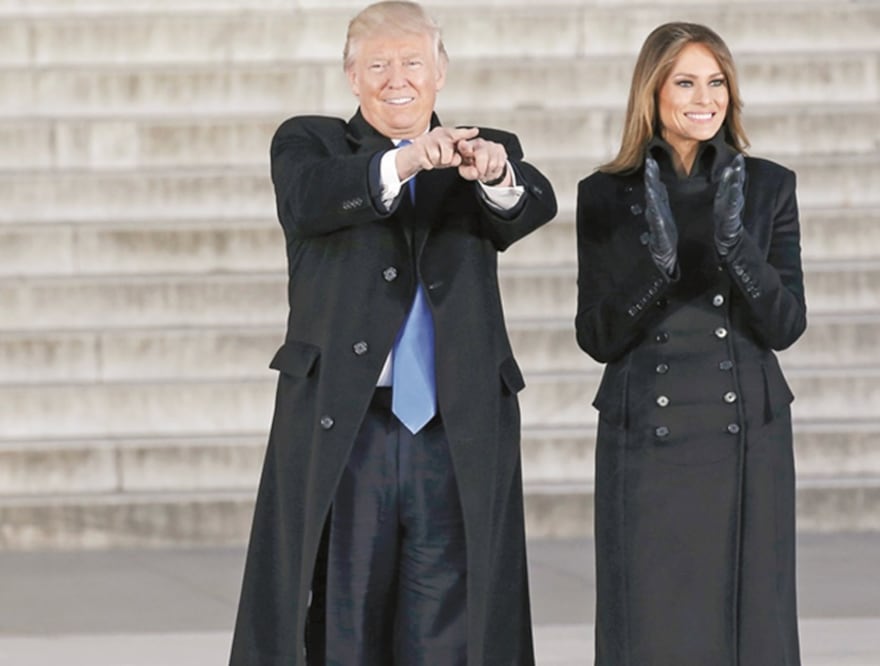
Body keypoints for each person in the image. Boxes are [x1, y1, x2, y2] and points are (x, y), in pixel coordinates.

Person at [229, 2, 557, 664]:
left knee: (452, 618)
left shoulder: (484, 146)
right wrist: (405, 164)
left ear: (440, 71)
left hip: (453, 424)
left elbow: (529, 206)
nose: (395, 79)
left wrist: (492, 175)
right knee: (341, 611)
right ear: (352, 76)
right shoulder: (310, 143)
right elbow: (310, 197)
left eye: (412, 62)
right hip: (348, 426)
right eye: (377, 64)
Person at [574, 22, 806, 666]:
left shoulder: (769, 186)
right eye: (685, 81)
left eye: (717, 83)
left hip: (746, 435)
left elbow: (787, 325)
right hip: (647, 434)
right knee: (649, 621)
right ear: (653, 92)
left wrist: (738, 251)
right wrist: (655, 270)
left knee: (750, 621)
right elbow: (595, 335)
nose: (705, 98)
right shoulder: (604, 194)